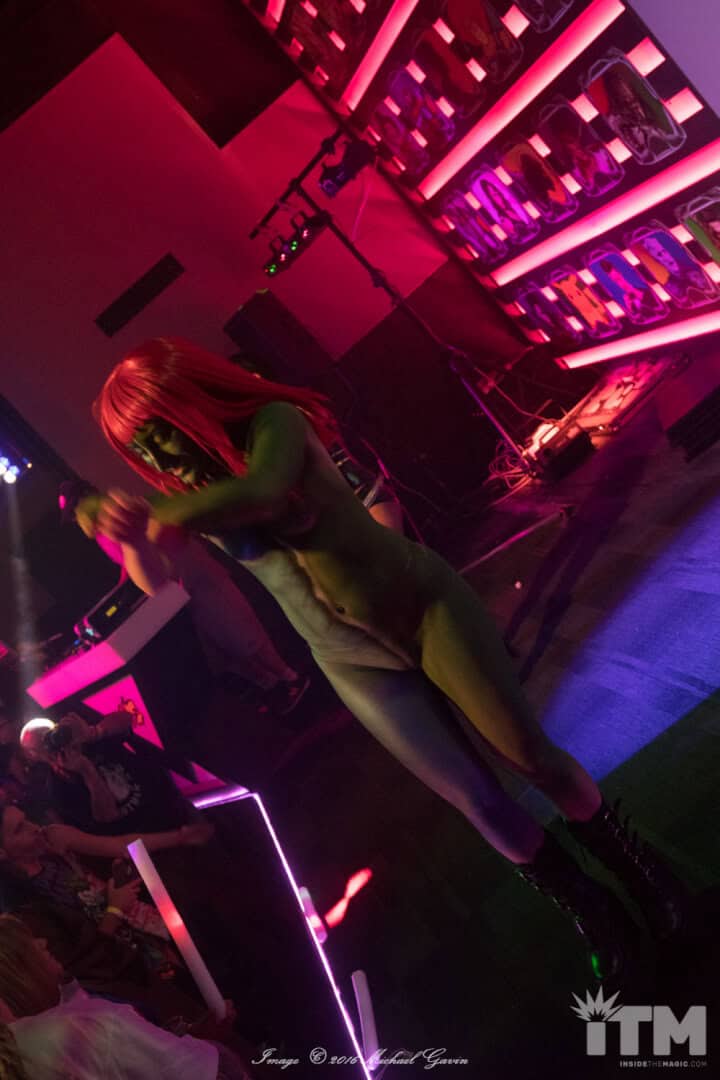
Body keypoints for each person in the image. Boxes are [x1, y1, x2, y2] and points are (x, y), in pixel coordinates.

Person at [81, 337, 692, 984]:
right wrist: (125, 534)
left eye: (157, 435)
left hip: (422, 609)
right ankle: (594, 912)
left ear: (189, 400)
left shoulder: (273, 424)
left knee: (530, 757)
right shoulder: (191, 493)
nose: (156, 459)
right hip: (351, 661)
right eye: (140, 451)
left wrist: (155, 513)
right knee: (477, 801)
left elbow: (263, 492)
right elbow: (156, 582)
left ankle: (644, 873)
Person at [61, 480, 309, 715]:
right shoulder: (107, 529)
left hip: (193, 576)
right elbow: (132, 559)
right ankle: (278, 685)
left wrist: (149, 563)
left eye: (74, 513)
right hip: (185, 586)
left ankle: (290, 678)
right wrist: (129, 580)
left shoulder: (116, 517)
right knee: (230, 642)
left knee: (240, 631)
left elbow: (158, 540)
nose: (76, 520)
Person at [0, 915, 253, 1079]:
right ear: (16, 975)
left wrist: (188, 1037)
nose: (43, 942)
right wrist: (210, 1051)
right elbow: (202, 1073)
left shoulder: (69, 1010)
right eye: (27, 944)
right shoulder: (85, 1026)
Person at [0, 799, 212, 980]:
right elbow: (82, 964)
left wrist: (180, 837)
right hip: (122, 972)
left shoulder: (51, 841)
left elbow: (122, 846)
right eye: (19, 829)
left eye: (26, 819)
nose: (33, 827)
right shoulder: (23, 907)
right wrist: (114, 908)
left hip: (146, 937)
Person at [20, 709, 194, 835]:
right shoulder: (58, 787)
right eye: (42, 744)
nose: (51, 744)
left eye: (50, 735)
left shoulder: (88, 739)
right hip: (148, 838)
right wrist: (87, 772)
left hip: (173, 805)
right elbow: (108, 817)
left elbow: (128, 717)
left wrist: (94, 732)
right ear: (33, 755)